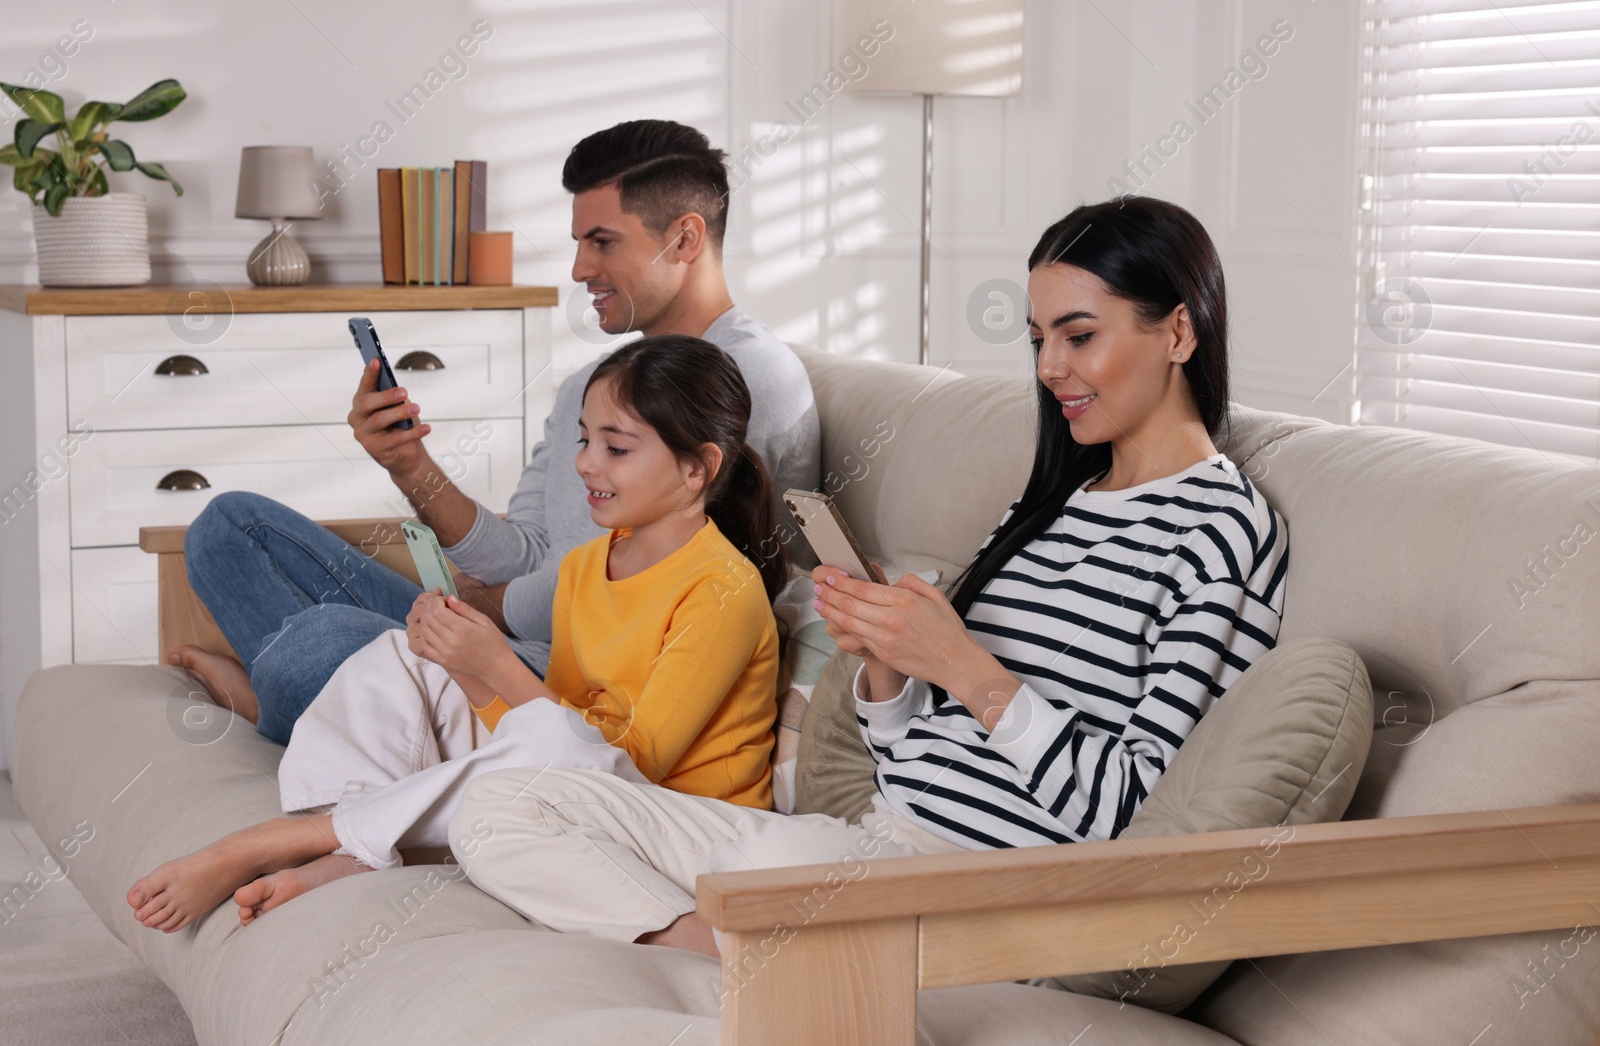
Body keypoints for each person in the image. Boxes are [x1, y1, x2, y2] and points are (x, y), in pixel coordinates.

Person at [440, 195, 1291, 958]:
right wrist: (887, 662)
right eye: (1038, 340)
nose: (1048, 369)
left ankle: (760, 951)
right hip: (873, 844)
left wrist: (963, 664)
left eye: (1079, 336)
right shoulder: (1046, 506)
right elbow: (909, 752)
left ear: (1177, 332)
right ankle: (708, 943)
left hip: (978, 892)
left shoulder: (1219, 532)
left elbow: (1130, 814)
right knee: (504, 806)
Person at [171, 119, 821, 745]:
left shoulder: (744, 379)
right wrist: (409, 464)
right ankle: (309, 706)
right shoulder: (594, 388)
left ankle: (278, 702)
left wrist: (484, 610)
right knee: (228, 527)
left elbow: (656, 575)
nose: (577, 269)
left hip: (577, 690)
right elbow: (528, 547)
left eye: (603, 241)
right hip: (505, 642)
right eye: (577, 242)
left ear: (684, 240)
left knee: (312, 646)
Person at [126, 335, 788, 933]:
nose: (587, 464)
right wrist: (467, 665)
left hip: (667, 820)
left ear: (698, 467)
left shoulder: (722, 590)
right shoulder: (591, 562)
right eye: (583, 440)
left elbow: (629, 761)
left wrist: (497, 665)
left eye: (615, 448)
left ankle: (277, 839)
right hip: (576, 774)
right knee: (397, 656)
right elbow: (543, 731)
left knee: (545, 738)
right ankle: (351, 848)